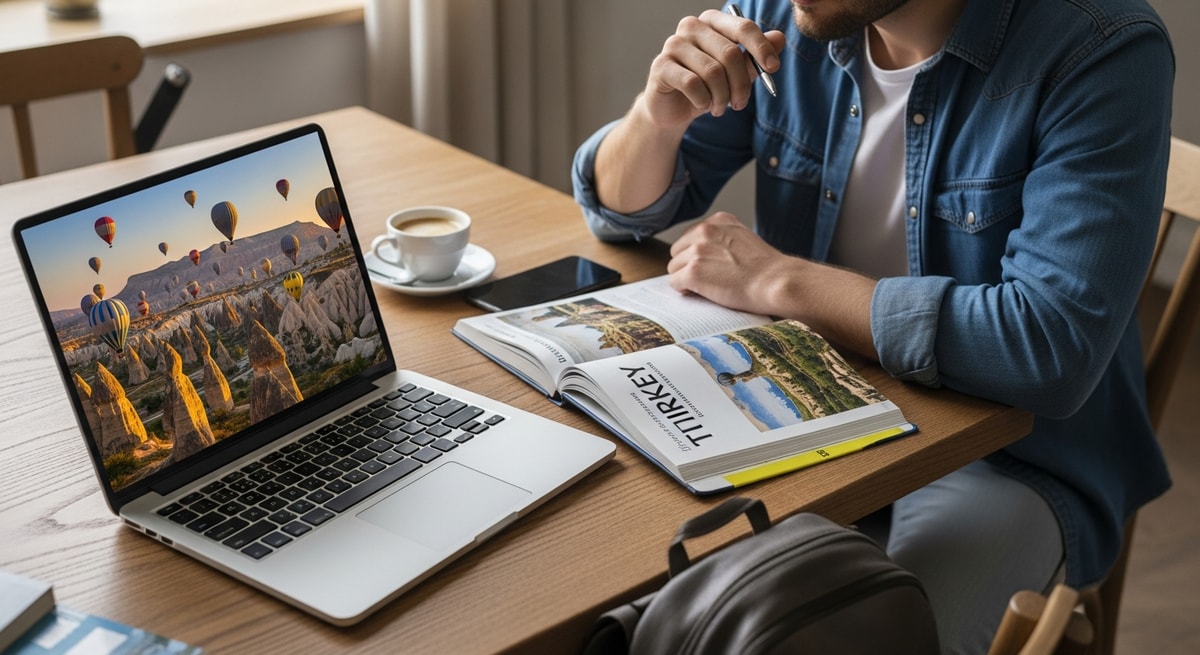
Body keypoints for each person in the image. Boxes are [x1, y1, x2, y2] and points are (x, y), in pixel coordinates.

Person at [571, 0, 1174, 652]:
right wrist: (654, 119)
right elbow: (620, 215)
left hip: (1009, 456)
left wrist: (781, 282)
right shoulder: (787, 15)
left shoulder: (1101, 46)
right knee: (608, 600)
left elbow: (1047, 346)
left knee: (870, 635)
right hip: (801, 412)